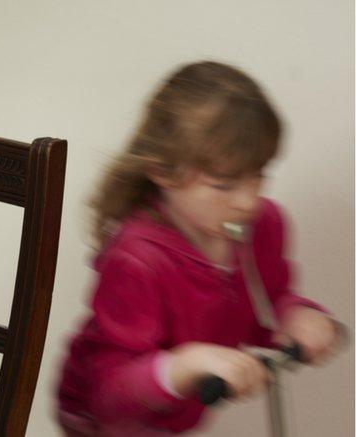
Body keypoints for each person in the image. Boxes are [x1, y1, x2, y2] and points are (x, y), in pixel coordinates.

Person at [55, 62, 341, 435]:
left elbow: (267, 305)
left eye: (258, 175)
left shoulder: (264, 227)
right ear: (162, 171)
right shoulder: (137, 259)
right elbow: (110, 391)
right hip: (101, 422)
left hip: (173, 418)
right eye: (223, 185)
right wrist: (181, 367)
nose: (248, 200)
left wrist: (296, 315)